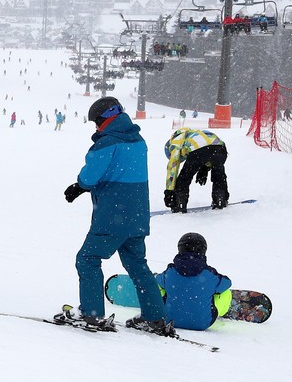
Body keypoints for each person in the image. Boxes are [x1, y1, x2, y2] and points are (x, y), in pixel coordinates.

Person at [61, 97, 171, 335]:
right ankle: (155, 317)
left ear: (104, 119)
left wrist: (78, 186)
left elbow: (91, 176)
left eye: (96, 123)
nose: (96, 128)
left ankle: (91, 315)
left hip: (113, 216)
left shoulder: (107, 143)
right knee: (137, 264)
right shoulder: (138, 140)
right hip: (138, 216)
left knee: (87, 259)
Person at [156, 233, 232, 331]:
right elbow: (227, 283)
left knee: (159, 285)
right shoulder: (209, 274)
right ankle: (218, 311)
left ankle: (155, 306)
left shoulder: (170, 271)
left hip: (171, 320)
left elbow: (157, 279)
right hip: (202, 323)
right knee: (226, 291)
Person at [163, 127, 229, 213]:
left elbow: (173, 167)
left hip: (199, 151)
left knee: (184, 178)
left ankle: (179, 204)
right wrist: (204, 168)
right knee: (219, 175)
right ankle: (220, 199)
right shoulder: (196, 133)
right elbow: (210, 149)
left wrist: (169, 191)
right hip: (220, 148)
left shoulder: (175, 141)